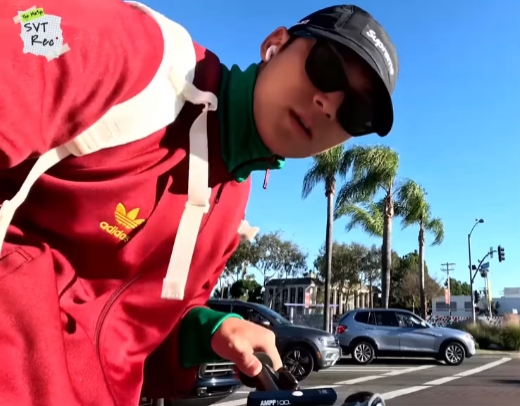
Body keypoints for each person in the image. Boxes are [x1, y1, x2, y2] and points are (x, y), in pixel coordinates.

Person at [0, 1, 398, 405]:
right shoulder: (140, 53)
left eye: (356, 112)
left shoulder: (230, 204)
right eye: (326, 68)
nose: (328, 104)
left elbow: (125, 335)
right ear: (275, 44)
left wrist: (211, 331)